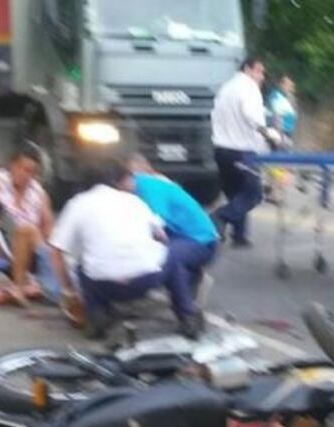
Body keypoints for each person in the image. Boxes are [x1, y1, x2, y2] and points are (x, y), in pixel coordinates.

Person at [50, 158, 203, 340]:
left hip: (103, 285)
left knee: (83, 267)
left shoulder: (77, 204)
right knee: (171, 259)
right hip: (146, 279)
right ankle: (187, 315)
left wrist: (69, 291)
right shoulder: (133, 201)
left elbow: (56, 251)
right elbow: (161, 236)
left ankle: (97, 318)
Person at [0, 142, 57, 305]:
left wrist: (50, 253)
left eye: (31, 171)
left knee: (27, 230)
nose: (25, 175)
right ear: (13, 165)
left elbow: (49, 230)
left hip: (28, 250)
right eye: (22, 168)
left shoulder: (39, 194)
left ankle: (19, 286)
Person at [128, 154, 219, 305]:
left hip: (198, 239)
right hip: (181, 237)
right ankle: (189, 281)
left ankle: (187, 310)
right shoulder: (152, 184)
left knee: (166, 259)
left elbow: (157, 220)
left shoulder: (149, 185)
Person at [211, 57, 272, 248]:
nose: (261, 77)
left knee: (236, 194)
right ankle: (218, 217)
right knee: (253, 194)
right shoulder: (248, 87)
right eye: (259, 71)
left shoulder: (226, 88)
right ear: (247, 69)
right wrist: (270, 135)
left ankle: (239, 236)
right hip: (241, 151)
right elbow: (253, 116)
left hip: (221, 149)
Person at [267, 75, 298, 144]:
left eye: (290, 86)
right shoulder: (274, 95)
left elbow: (293, 114)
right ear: (281, 84)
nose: (288, 87)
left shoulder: (292, 98)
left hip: (288, 131)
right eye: (287, 85)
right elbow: (275, 115)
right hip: (276, 130)